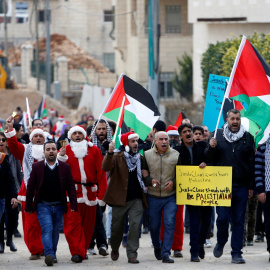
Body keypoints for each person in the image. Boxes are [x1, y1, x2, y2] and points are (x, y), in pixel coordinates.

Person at [206, 109, 255, 264]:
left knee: (239, 221)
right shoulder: (217, 135)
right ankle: (221, 241)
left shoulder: (248, 137)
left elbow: (251, 163)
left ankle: (236, 252)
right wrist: (211, 147)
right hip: (221, 186)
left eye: (238, 119)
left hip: (241, 186)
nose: (235, 121)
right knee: (222, 219)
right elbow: (208, 158)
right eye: (232, 118)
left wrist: (251, 185)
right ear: (227, 119)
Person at [25, 141, 78, 266]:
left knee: (55, 232)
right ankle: (49, 254)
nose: (51, 151)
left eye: (53, 149)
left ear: (57, 151)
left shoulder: (65, 167)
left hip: (59, 205)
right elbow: (31, 187)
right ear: (44, 152)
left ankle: (52, 254)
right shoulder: (37, 167)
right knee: (47, 229)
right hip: (43, 205)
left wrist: (74, 205)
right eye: (48, 149)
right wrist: (28, 205)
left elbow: (70, 187)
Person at [58, 125, 107, 260]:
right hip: (72, 194)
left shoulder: (94, 150)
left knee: (88, 225)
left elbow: (101, 173)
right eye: (75, 134)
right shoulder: (64, 150)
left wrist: (102, 195)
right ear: (71, 136)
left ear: (84, 135)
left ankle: (82, 249)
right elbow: (58, 172)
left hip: (90, 193)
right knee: (72, 225)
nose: (78, 136)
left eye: (80, 133)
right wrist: (60, 158)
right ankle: (76, 252)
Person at [102, 132, 146, 264]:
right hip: (119, 198)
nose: (136, 144)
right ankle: (115, 247)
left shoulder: (141, 157)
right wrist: (109, 153)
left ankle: (132, 253)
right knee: (116, 227)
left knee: (135, 224)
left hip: (136, 198)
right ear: (126, 144)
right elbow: (105, 167)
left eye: (136, 141)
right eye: (132, 141)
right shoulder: (117, 156)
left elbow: (146, 174)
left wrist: (147, 176)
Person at [5, 115, 45, 259]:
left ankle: (45, 247)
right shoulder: (25, 149)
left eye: (41, 136)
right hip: (29, 191)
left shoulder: (50, 150)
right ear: (31, 138)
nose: (38, 138)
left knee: (45, 223)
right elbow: (14, 147)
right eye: (36, 136)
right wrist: (10, 128)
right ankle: (34, 250)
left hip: (47, 192)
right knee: (30, 223)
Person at [142, 131, 181, 263]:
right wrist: (150, 181)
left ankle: (166, 253)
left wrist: (173, 182)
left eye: (166, 139)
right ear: (155, 141)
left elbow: (181, 174)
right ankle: (157, 247)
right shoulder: (146, 155)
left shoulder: (176, 155)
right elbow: (144, 175)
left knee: (169, 223)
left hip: (170, 196)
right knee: (154, 226)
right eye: (161, 139)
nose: (164, 142)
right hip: (153, 196)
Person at [175, 124, 211, 262]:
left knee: (206, 221)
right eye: (185, 132)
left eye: (189, 131)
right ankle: (194, 252)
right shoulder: (177, 151)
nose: (188, 133)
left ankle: (200, 243)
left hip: (205, 190)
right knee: (194, 222)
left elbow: (211, 158)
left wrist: (206, 164)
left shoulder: (202, 146)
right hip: (190, 193)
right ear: (181, 136)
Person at [88, 119, 112, 256]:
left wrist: (110, 150)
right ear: (95, 130)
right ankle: (96, 244)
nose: (101, 131)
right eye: (99, 129)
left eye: (104, 129)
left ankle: (103, 243)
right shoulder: (90, 146)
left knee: (103, 216)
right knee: (97, 216)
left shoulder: (112, 145)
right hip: (94, 186)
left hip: (111, 184)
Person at [0, 132, 23, 252]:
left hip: (12, 189)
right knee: (1, 217)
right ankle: (1, 242)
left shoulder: (13, 155)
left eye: (3, 140)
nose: (1, 142)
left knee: (13, 216)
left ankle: (9, 239)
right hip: (1, 191)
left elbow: (19, 173)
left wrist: (20, 190)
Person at [255, 137, 270, 261]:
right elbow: (258, 171)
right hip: (267, 191)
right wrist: (260, 190)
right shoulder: (263, 149)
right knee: (269, 223)